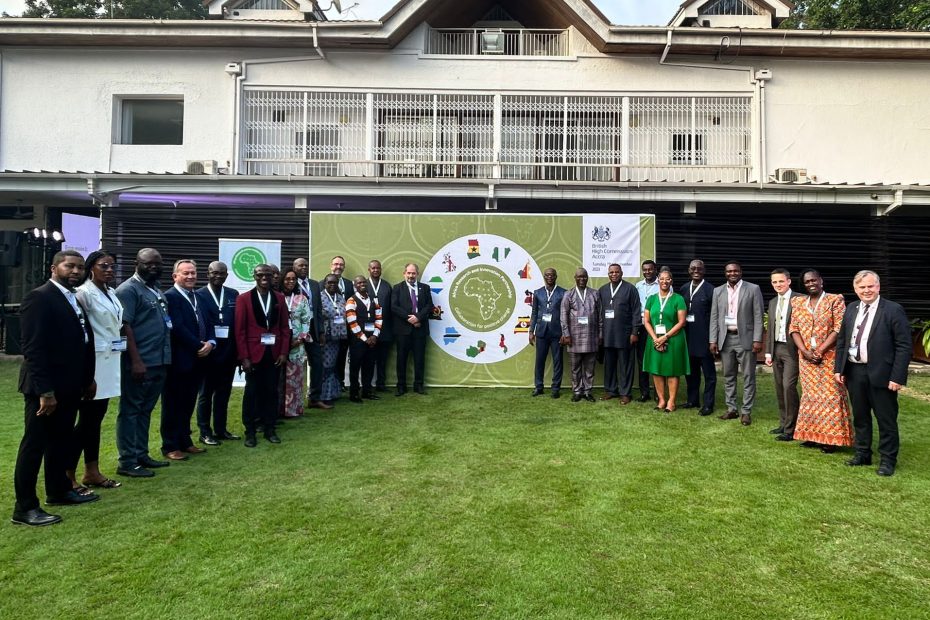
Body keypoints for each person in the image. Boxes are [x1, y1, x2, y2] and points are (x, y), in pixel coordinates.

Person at [12, 250, 98, 526]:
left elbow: (83, 342)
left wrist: (87, 378)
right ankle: (25, 508)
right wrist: (45, 392)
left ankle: (58, 491)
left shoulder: (73, 298)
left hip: (71, 386)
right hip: (45, 390)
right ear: (54, 268)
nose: (76, 271)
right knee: (34, 446)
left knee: (60, 442)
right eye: (69, 266)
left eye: (80, 267)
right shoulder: (40, 297)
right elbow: (33, 350)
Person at [835, 270, 911, 476]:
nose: (866, 290)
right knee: (860, 416)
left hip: (883, 374)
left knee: (886, 419)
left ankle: (888, 459)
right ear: (855, 289)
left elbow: (904, 346)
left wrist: (897, 377)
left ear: (878, 287)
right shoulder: (851, 308)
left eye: (870, 286)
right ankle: (863, 453)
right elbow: (842, 341)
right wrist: (839, 369)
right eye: (862, 287)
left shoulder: (893, 310)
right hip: (854, 371)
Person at [115, 248, 172, 478]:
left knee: (145, 410)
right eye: (148, 264)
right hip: (140, 363)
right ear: (136, 263)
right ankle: (127, 461)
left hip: (159, 361)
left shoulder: (155, 289)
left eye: (157, 264)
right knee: (130, 411)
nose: (154, 268)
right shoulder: (128, 290)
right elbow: (125, 326)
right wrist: (136, 361)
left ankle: (141, 453)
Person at [69, 250, 123, 491]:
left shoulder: (111, 293)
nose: (109, 270)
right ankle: (67, 474)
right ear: (91, 268)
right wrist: (85, 372)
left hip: (110, 362)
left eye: (112, 266)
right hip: (92, 365)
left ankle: (92, 471)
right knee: (85, 422)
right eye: (104, 266)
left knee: (95, 420)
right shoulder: (83, 294)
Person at [789, 269, 853, 453]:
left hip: (830, 357)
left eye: (814, 280)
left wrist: (821, 350)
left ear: (821, 281)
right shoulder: (798, 302)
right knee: (811, 397)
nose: (811, 284)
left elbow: (839, 327)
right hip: (806, 358)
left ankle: (832, 440)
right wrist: (804, 351)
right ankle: (812, 436)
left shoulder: (835, 299)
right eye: (807, 282)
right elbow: (794, 328)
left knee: (831, 397)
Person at [161, 260, 214, 461]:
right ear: (175, 276)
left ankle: (185, 441)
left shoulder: (197, 296)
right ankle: (170, 445)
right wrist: (198, 345)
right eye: (186, 273)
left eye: (193, 272)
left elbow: (208, 322)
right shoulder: (170, 297)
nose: (191, 276)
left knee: (188, 402)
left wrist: (211, 342)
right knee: (172, 404)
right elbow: (177, 327)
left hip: (199, 360)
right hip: (180, 360)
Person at [234, 264, 290, 447]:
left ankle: (269, 429)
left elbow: (284, 328)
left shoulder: (279, 298)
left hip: (274, 355)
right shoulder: (244, 299)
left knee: (271, 392)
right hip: (253, 356)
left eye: (268, 274)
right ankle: (250, 431)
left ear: (273, 276)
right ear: (254, 276)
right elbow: (240, 331)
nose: (264, 277)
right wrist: (244, 357)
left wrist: (283, 352)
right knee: (251, 393)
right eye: (260, 274)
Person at [710, 262, 764, 426]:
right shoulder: (718, 291)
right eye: (729, 271)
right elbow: (714, 316)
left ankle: (746, 411)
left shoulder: (753, 289)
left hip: (745, 338)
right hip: (726, 339)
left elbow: (758, 316)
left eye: (735, 271)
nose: (732, 273)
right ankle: (731, 409)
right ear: (725, 273)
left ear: (741, 272)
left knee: (748, 376)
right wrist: (713, 339)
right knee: (728, 376)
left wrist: (757, 339)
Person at [195, 261, 241, 444]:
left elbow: (237, 325)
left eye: (222, 273)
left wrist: (238, 353)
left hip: (228, 353)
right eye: (215, 273)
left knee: (224, 393)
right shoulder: (199, 295)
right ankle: (205, 432)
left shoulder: (232, 294)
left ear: (226, 275)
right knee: (206, 394)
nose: (218, 276)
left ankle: (221, 429)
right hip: (209, 353)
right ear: (208, 274)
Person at [642, 267, 690, 411]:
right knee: (656, 370)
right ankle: (662, 400)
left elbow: (681, 322)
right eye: (661, 279)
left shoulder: (678, 299)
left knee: (672, 371)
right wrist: (655, 338)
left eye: (667, 279)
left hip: (673, 340)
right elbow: (646, 321)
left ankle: (671, 402)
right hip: (654, 339)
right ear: (658, 281)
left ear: (671, 281)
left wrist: (665, 337)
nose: (664, 281)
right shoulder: (651, 299)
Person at [765, 269, 802, 441]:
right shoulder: (773, 302)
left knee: (789, 387)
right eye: (774, 282)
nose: (778, 285)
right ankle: (783, 423)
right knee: (779, 388)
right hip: (776, 349)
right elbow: (771, 328)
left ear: (788, 281)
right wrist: (768, 352)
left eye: (781, 281)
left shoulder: (800, 299)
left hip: (792, 350)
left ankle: (791, 428)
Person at [597, 263, 642, 404]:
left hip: (625, 335)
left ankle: (625, 393)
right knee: (609, 365)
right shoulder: (602, 290)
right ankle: (611, 390)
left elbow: (636, 312)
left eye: (617, 272)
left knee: (626, 365)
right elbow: (599, 313)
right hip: (608, 335)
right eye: (611, 272)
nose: (614, 274)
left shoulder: (630, 289)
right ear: (608, 274)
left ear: (621, 273)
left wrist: (635, 332)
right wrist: (600, 333)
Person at [679, 259, 716, 415]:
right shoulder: (684, 289)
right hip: (688, 338)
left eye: (699, 269)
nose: (696, 271)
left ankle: (708, 404)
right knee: (691, 372)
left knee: (709, 374)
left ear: (704, 270)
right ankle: (692, 400)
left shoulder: (711, 290)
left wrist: (713, 340)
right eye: (693, 268)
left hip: (705, 339)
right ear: (689, 270)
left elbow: (715, 317)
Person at [293, 257, 330, 410]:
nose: (304, 267)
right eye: (300, 265)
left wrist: (321, 331)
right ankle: (292, 401)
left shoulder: (314, 284)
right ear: (294, 267)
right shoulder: (290, 283)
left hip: (313, 329)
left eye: (306, 265)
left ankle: (314, 398)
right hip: (296, 331)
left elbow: (319, 310)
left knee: (318, 364)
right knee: (295, 365)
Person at [560, 268, 602, 402]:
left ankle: (588, 391)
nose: (582, 279)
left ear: (587, 278)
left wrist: (600, 334)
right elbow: (563, 316)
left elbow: (600, 315)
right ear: (575, 278)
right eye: (579, 277)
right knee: (575, 367)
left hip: (591, 336)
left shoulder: (595, 294)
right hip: (574, 337)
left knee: (590, 367)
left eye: (584, 277)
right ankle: (577, 391)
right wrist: (566, 334)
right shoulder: (568, 294)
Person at [391, 263, 434, 396]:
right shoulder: (397, 288)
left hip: (420, 330)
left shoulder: (425, 288)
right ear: (404, 273)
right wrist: (409, 319)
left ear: (417, 274)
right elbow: (394, 307)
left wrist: (418, 318)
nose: (411, 276)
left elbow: (429, 306)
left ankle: (419, 385)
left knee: (419, 359)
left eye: (413, 273)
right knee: (401, 359)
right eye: (408, 273)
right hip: (403, 331)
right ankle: (401, 386)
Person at [529, 267, 566, 399]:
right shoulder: (538, 293)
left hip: (557, 333)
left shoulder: (563, 293)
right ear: (544, 277)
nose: (549, 277)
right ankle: (538, 387)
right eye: (547, 275)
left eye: (552, 275)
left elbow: (565, 314)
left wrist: (565, 333)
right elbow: (534, 313)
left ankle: (555, 388)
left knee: (558, 362)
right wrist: (531, 331)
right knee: (539, 361)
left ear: (556, 276)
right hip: (541, 332)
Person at [345, 276, 383, 403]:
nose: (362, 284)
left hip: (372, 339)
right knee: (355, 367)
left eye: (364, 282)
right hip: (357, 340)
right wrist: (364, 338)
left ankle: (367, 391)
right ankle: (354, 394)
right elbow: (352, 322)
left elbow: (379, 318)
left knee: (369, 366)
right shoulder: (351, 300)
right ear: (355, 285)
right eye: (359, 282)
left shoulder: (374, 299)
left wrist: (375, 336)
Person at [280, 269, 312, 418]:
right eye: (287, 279)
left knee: (295, 379)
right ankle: (278, 410)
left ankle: (294, 410)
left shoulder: (302, 298)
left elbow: (307, 320)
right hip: (280, 345)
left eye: (293, 279)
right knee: (279, 379)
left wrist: (299, 339)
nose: (290, 282)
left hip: (297, 345)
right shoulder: (277, 297)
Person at [634, 260, 660, 401]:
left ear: (655, 270)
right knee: (642, 360)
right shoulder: (638, 286)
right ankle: (644, 393)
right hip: (642, 327)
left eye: (650, 269)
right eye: (645, 270)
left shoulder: (662, 284)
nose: (647, 272)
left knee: (656, 359)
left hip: (657, 328)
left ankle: (658, 392)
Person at [320, 274, 348, 403]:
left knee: (333, 366)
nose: (332, 285)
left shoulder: (341, 298)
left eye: (335, 283)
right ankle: (323, 395)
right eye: (329, 282)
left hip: (337, 338)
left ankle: (333, 392)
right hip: (325, 338)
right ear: (325, 283)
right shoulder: (319, 297)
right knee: (326, 366)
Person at [328, 256, 354, 389]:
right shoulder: (323, 283)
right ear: (331, 266)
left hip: (346, 327)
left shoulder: (350, 284)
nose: (338, 266)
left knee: (342, 355)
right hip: (330, 328)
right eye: (336, 264)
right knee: (329, 356)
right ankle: (329, 382)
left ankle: (341, 382)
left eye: (341, 264)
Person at [367, 259, 393, 393]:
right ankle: (367, 384)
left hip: (385, 329)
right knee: (370, 359)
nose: (376, 270)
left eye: (378, 268)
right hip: (369, 329)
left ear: (381, 270)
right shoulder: (363, 285)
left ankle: (381, 383)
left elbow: (392, 308)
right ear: (369, 270)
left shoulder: (387, 286)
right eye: (373, 268)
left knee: (383, 359)